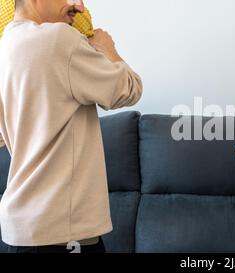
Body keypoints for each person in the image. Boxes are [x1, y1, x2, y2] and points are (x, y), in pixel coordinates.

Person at [0, 0, 143, 253]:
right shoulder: (59, 39)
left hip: (19, 233)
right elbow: (128, 89)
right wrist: (107, 48)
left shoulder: (6, 47)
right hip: (62, 233)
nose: (79, 5)